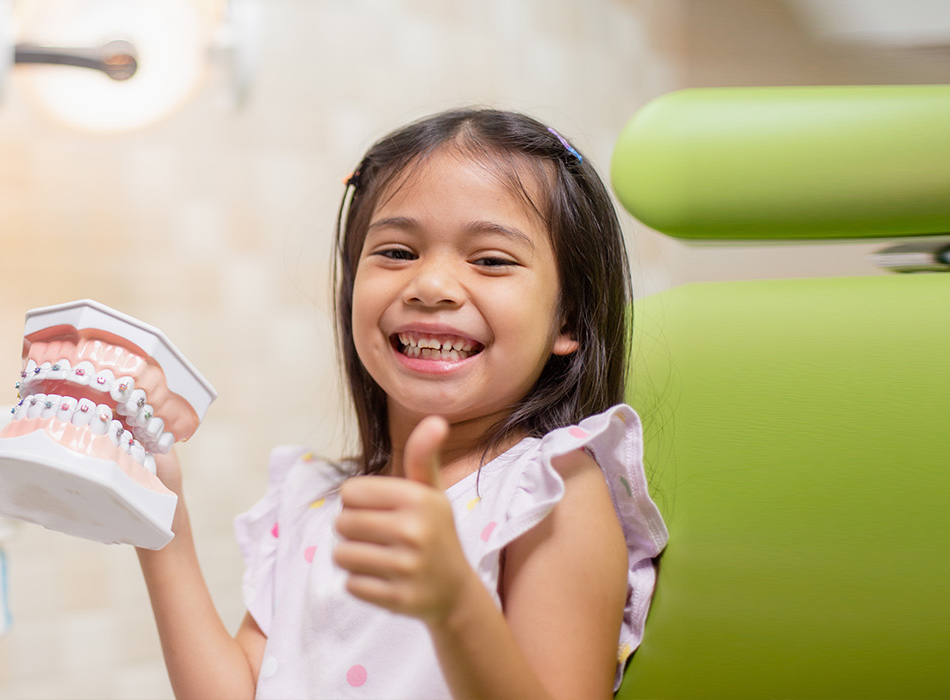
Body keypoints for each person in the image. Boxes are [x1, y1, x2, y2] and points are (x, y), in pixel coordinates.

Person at [135, 108, 669, 699]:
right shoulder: (311, 498)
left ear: (568, 317)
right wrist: (157, 509)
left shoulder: (550, 490)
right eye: (396, 252)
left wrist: (456, 605)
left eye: (490, 259)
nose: (431, 286)